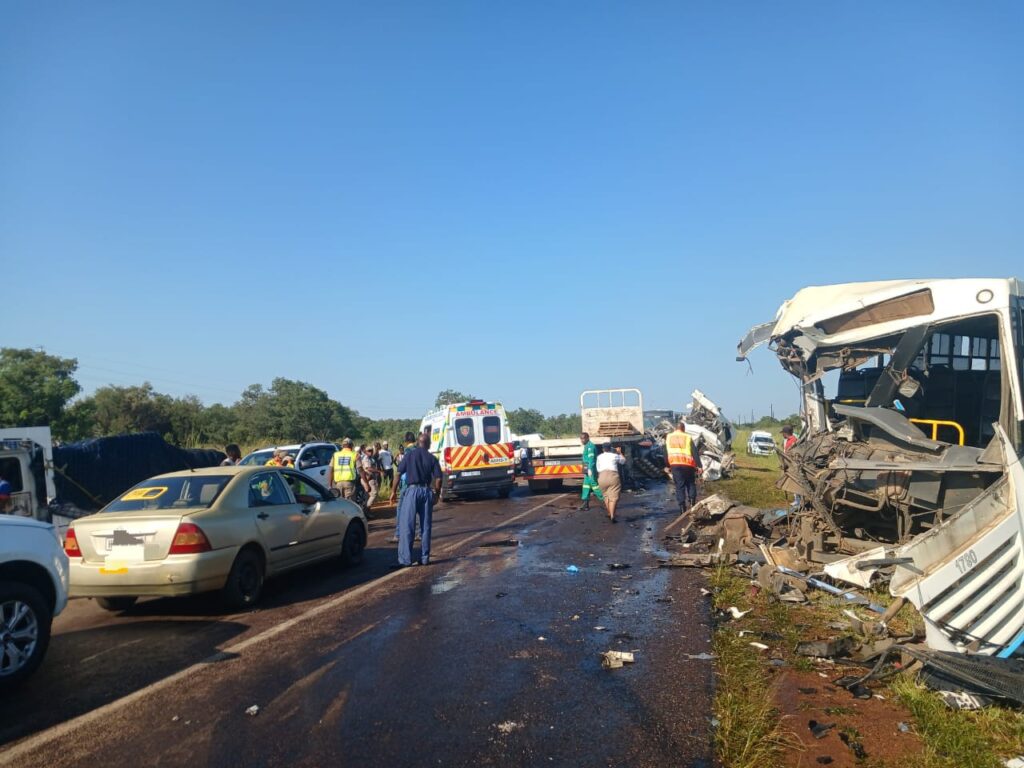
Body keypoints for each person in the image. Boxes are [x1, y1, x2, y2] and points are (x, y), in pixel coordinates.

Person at [393, 433, 442, 567]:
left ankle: (406, 560)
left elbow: (398, 474)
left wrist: (393, 492)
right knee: (425, 526)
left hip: (412, 491)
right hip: (426, 491)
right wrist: (437, 495)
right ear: (428, 444)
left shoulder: (409, 455)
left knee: (407, 525)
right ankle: (425, 558)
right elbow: (438, 478)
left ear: (418, 443)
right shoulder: (432, 458)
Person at [664, 419, 702, 513]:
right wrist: (699, 466)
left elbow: (665, 453)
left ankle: (682, 508)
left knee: (679, 486)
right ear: (683, 428)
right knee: (690, 483)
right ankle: (692, 504)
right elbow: (694, 452)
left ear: (675, 428)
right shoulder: (687, 437)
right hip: (688, 464)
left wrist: (667, 465)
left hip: (675, 465)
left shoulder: (669, 437)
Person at [389, 432, 420, 543]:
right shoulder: (420, 451)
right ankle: (419, 533)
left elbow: (399, 473)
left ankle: (398, 534)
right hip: (420, 485)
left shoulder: (407, 452)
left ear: (406, 441)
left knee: (401, 509)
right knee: (418, 510)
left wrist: (393, 491)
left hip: (407, 485)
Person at [596, 442, 625, 523]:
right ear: (611, 448)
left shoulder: (599, 457)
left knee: (606, 496)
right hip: (613, 476)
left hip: (602, 477)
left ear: (603, 449)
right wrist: (619, 453)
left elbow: (598, 469)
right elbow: (623, 461)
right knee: (614, 498)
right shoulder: (614, 455)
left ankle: (609, 513)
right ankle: (612, 515)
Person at [578, 432, 604, 510]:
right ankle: (585, 504)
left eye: (583, 438)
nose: (582, 440)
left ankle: (605, 499)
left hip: (590, 469)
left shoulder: (590, 447)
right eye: (581, 439)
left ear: (588, 438)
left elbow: (591, 459)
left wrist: (589, 469)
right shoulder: (586, 446)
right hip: (587, 468)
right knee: (586, 485)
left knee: (594, 485)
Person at [360, 445, 380, 511]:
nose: (370, 452)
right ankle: (366, 508)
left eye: (371, 450)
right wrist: (379, 471)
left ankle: (367, 509)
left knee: (369, 495)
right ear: (366, 452)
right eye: (369, 451)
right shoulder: (366, 458)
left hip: (371, 478)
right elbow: (368, 468)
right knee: (374, 494)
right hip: (368, 478)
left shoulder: (371, 458)